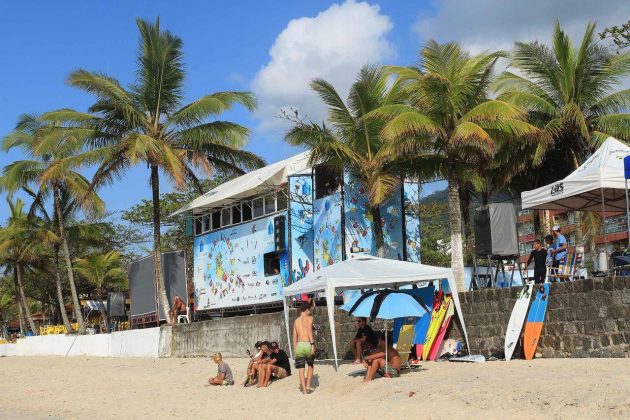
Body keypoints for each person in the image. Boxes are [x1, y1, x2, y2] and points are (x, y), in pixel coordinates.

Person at [293, 301, 315, 394]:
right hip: (307, 344)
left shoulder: (296, 321)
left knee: (301, 369)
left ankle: (304, 390)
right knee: (310, 366)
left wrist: (295, 348)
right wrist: (312, 344)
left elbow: (294, 336)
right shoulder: (310, 318)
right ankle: (308, 385)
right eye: (309, 309)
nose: (310, 311)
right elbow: (309, 331)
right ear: (306, 309)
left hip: (299, 345)